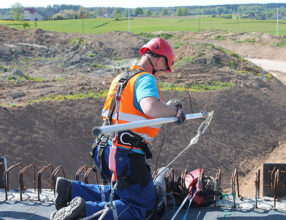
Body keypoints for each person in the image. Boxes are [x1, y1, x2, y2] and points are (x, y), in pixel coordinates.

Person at [50, 38, 186, 220]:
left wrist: (167, 110)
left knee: (125, 192)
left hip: (104, 148)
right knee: (144, 206)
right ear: (160, 61)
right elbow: (151, 108)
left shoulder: (122, 78)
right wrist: (176, 111)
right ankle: (85, 211)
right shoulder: (146, 78)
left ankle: (71, 191)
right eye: (164, 70)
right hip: (125, 154)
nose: (161, 75)